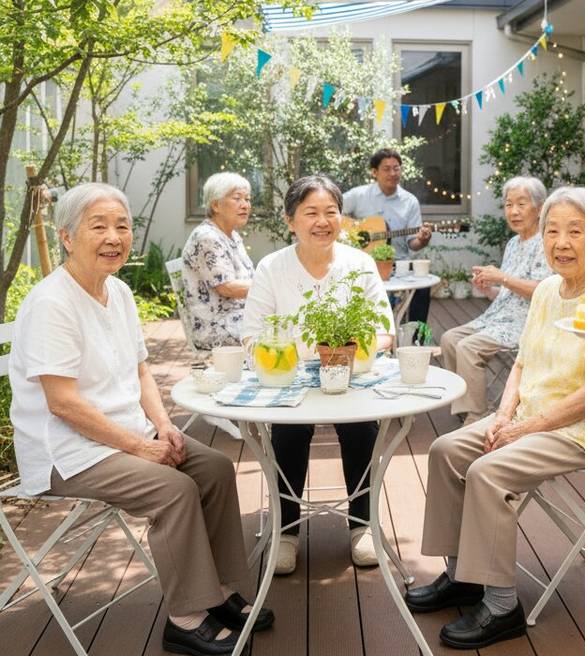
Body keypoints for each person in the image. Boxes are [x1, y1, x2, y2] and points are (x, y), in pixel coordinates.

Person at [8, 183, 273, 656]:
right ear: (67, 237)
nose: (114, 236)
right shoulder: (53, 303)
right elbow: (62, 404)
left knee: (212, 467)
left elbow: (141, 370)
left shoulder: (120, 292)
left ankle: (221, 592)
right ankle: (186, 617)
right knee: (174, 489)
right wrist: (140, 447)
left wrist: (164, 427)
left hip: (121, 435)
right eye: (98, 226)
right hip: (65, 451)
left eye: (122, 226)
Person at [405, 188, 585, 649]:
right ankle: (463, 576)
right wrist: (504, 413)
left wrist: (523, 429)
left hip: (581, 430)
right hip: (529, 415)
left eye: (575, 231)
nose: (561, 242)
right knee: (447, 449)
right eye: (552, 231)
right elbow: (521, 364)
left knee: (488, 471)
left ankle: (500, 604)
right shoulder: (549, 291)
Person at [242, 174, 394, 575]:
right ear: (290, 220)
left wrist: (345, 357)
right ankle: (287, 531)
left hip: (350, 377)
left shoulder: (359, 264)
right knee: (289, 429)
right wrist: (288, 360)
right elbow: (251, 334)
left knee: (362, 428)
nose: (322, 221)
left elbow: (384, 331)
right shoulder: (272, 267)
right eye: (311, 212)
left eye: (331, 212)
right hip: (289, 379)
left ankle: (362, 526)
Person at [440, 176, 550, 424]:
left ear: (540, 208)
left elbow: (543, 291)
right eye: (509, 205)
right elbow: (508, 291)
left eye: (521, 204)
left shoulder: (545, 242)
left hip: (524, 323)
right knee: (449, 339)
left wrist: (502, 277)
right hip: (497, 317)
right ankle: (467, 407)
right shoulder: (513, 243)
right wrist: (490, 288)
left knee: (468, 347)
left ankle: (476, 417)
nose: (514, 211)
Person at [342, 148, 432, 325]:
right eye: (386, 168)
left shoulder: (410, 201)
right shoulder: (358, 195)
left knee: (422, 289)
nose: (393, 173)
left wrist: (422, 239)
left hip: (399, 264)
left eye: (396, 168)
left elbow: (413, 243)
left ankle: (414, 339)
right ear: (374, 172)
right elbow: (333, 213)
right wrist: (352, 232)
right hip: (363, 264)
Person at [181, 172, 254, 351]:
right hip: (216, 327)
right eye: (237, 198)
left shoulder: (232, 235)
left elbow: (248, 278)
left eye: (247, 199)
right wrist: (271, 287)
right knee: (282, 331)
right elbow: (227, 287)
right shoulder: (207, 237)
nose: (245, 205)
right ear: (216, 205)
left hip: (238, 317)